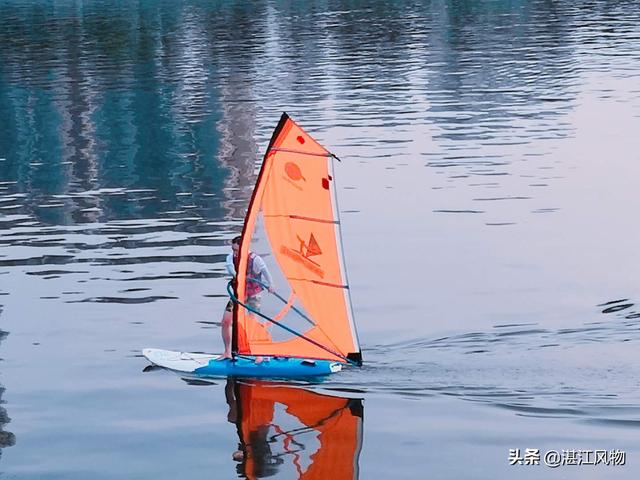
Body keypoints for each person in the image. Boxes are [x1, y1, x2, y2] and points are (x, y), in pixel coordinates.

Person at [218, 235, 274, 360]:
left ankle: (258, 354)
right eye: (233, 249)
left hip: (253, 295)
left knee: (252, 324)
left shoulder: (255, 259)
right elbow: (231, 270)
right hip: (237, 295)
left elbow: (265, 271)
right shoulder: (230, 258)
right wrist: (237, 275)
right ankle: (227, 351)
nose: (234, 253)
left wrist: (271, 285)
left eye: (236, 250)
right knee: (225, 322)